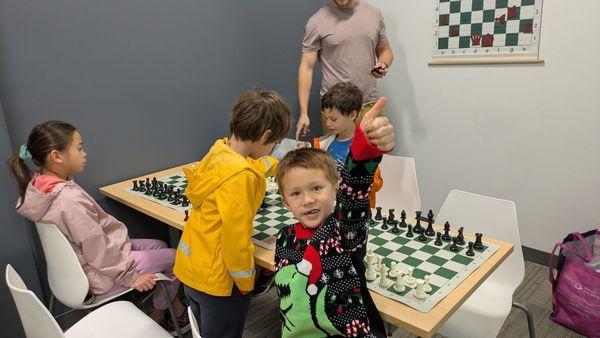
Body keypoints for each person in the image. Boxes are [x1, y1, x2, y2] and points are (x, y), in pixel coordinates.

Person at [9, 121, 188, 335]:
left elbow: (95, 243)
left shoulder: (41, 187)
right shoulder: (69, 200)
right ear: (57, 156)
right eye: (79, 148)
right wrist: (131, 277)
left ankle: (172, 308)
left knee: (159, 245)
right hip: (100, 273)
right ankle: (161, 315)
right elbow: (97, 249)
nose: (84, 153)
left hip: (81, 266)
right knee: (180, 258)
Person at [173, 89, 292, 338]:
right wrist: (247, 282)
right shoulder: (242, 179)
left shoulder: (219, 151)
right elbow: (235, 239)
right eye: (274, 143)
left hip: (191, 270)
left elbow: (238, 168)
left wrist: (270, 164)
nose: (273, 148)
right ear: (266, 136)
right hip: (220, 283)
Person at [274, 97, 393, 337]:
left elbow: (355, 196)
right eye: (296, 193)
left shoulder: (341, 232)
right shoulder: (284, 237)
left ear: (336, 188)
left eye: (316, 188)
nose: (307, 200)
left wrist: (362, 152)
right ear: (286, 202)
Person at [296, 0, 394, 139]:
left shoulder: (374, 14)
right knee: (337, 160)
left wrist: (383, 63)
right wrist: (303, 113)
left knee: (373, 158)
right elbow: (306, 67)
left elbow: (385, 50)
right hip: (336, 111)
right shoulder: (316, 22)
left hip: (369, 106)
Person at [316, 82, 383, 208]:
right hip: (331, 208)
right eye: (326, 119)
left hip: (357, 210)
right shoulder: (323, 144)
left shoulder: (364, 147)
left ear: (352, 115)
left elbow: (377, 183)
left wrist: (351, 181)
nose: (328, 124)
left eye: (333, 119)